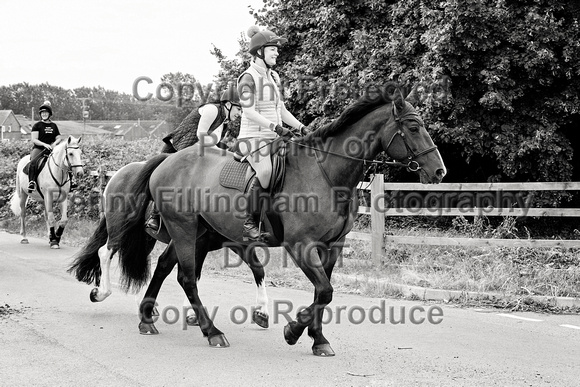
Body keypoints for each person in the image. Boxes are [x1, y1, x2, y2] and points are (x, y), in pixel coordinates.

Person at [236, 26, 309, 241]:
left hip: (273, 139)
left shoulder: (274, 77)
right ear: (259, 52)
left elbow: (282, 111)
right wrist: (275, 127)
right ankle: (249, 223)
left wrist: (301, 127)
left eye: (277, 49)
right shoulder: (247, 78)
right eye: (272, 49)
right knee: (266, 171)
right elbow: (248, 111)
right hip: (251, 139)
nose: (277, 52)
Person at [145, 87, 243, 231]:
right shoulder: (212, 110)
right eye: (239, 109)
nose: (240, 114)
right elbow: (201, 135)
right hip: (178, 147)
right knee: (166, 178)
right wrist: (219, 151)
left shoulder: (224, 121)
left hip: (193, 152)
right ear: (228, 104)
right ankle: (154, 215)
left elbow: (212, 144)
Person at [28, 102, 67, 192]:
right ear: (40, 114)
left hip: (52, 149)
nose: (44, 114)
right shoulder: (37, 125)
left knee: (65, 160)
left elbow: (59, 138)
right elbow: (34, 139)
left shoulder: (54, 126)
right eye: (42, 113)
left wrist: (54, 144)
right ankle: (32, 182)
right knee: (33, 161)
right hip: (39, 149)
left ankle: (71, 181)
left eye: (46, 113)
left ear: (49, 114)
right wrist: (44, 144)